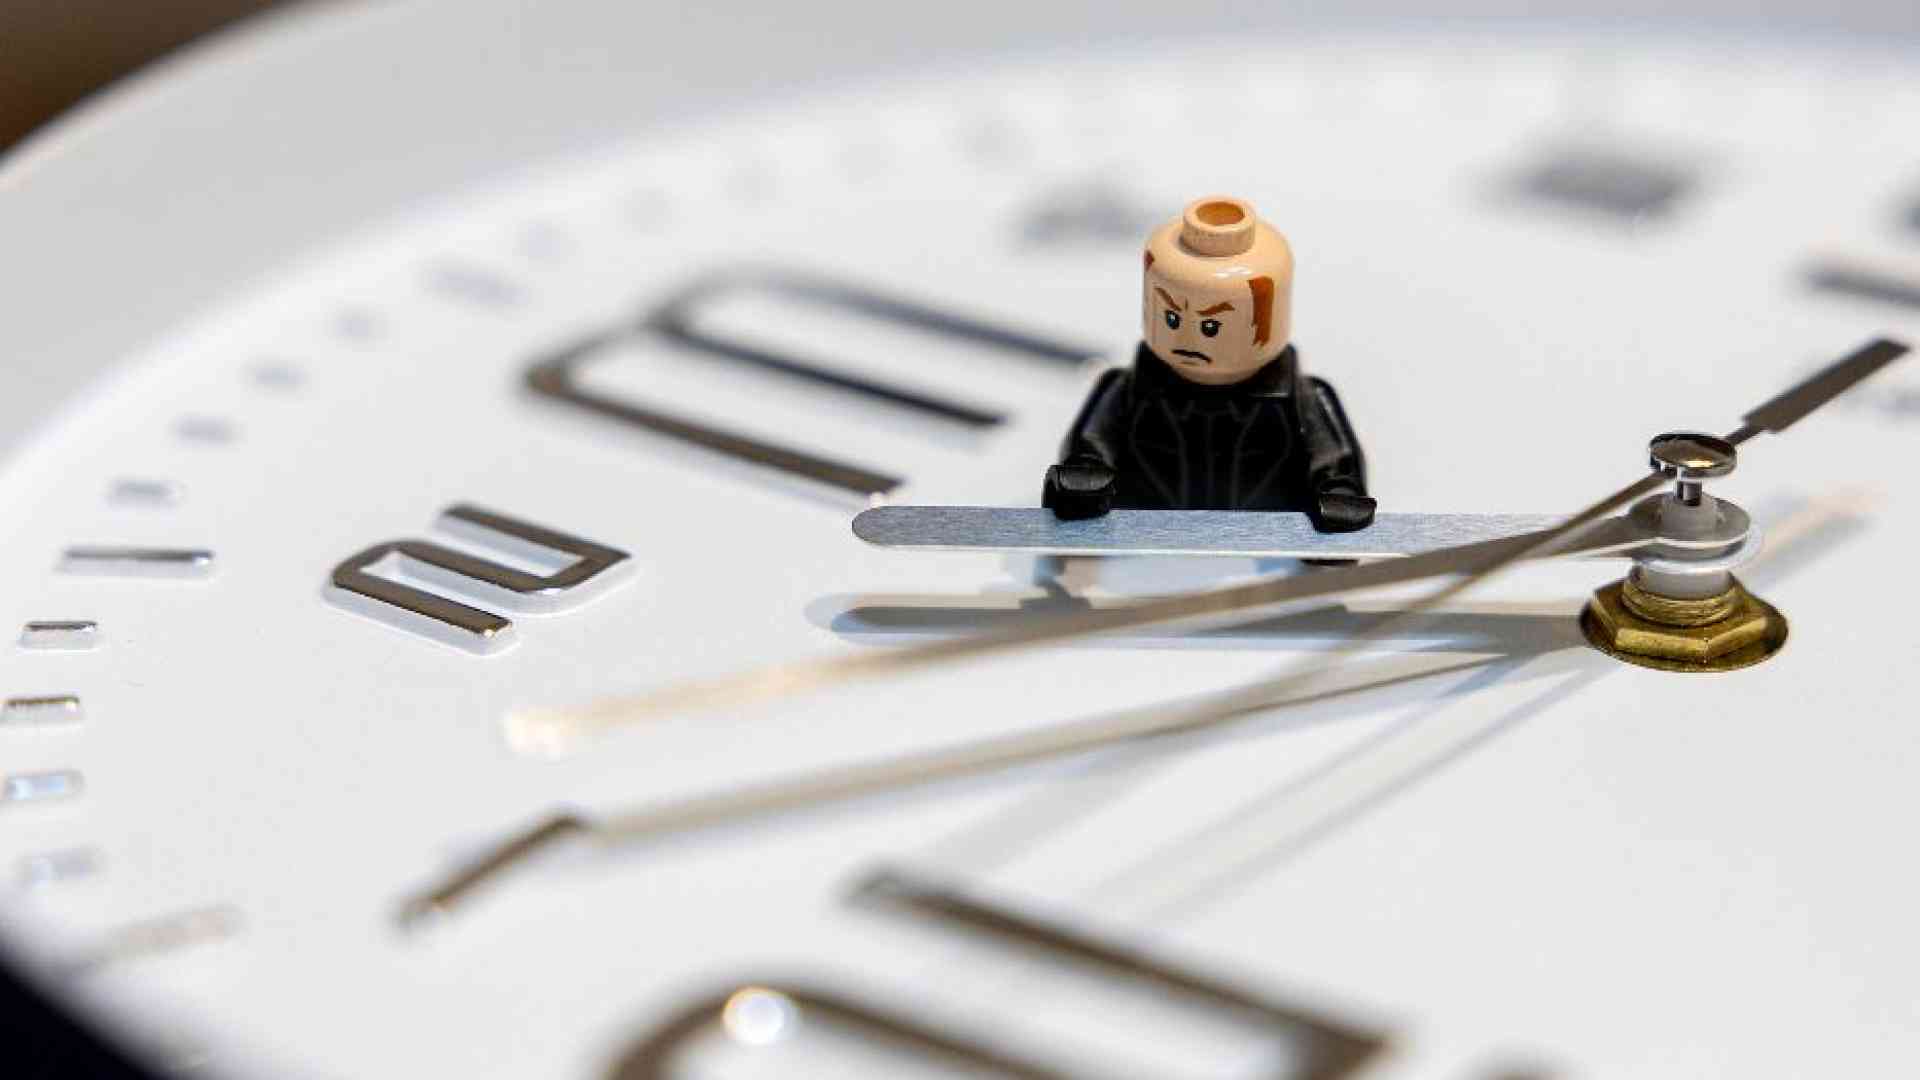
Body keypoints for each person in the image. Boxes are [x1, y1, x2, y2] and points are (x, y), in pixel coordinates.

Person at [1042, 196, 1375, 532]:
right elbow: (1089, 447)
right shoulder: (1126, 389)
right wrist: (1084, 477)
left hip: (1265, 544)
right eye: (1172, 319)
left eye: (1210, 327)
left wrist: (1338, 494)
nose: (1188, 339)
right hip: (1144, 540)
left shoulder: (1303, 398)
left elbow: (1336, 463)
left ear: (1266, 321)